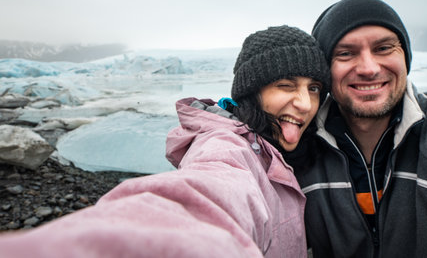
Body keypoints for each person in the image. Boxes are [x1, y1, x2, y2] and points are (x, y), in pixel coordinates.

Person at [0, 25, 330, 258]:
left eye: (313, 88)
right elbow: (210, 197)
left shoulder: (286, 149)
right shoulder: (227, 147)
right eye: (286, 85)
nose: (304, 103)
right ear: (251, 92)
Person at [296, 0, 427, 257]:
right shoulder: (298, 144)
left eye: (383, 48)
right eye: (345, 53)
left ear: (405, 57)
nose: (368, 68)